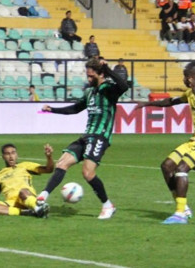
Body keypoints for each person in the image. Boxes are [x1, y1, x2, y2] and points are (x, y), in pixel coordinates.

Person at [35, 58, 128, 219]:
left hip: (100, 136)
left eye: (91, 76)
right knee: (62, 163)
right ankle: (43, 195)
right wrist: (52, 109)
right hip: (86, 136)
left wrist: (108, 69)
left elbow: (124, 86)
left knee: (87, 173)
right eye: (87, 75)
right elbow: (76, 108)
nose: (88, 79)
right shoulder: (89, 92)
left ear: (101, 74)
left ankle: (108, 205)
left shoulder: (109, 89)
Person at [134, 61, 195, 224]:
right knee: (167, 166)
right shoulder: (190, 93)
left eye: (186, 76)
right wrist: (148, 104)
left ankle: (180, 214)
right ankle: (183, 207)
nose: (184, 79)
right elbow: (170, 102)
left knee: (182, 168)